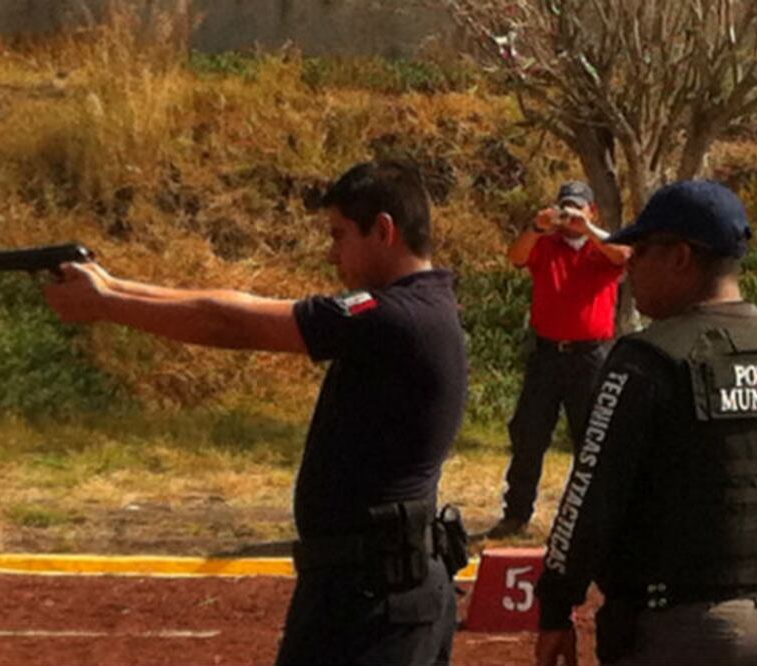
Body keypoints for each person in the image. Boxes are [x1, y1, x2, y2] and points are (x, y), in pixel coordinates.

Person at [43, 160, 469, 666]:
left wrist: (109, 304)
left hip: (374, 598)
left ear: (383, 230)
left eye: (339, 235)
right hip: (373, 588)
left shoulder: (396, 318)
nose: (332, 254)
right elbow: (228, 311)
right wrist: (112, 289)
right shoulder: (415, 307)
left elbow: (234, 323)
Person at [536, 180, 757, 666]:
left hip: (685, 628)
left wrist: (556, 604)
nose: (629, 263)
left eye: (640, 249)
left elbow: (591, 493)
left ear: (680, 256)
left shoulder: (648, 357)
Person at [488, 181, 631, 539]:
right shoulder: (546, 246)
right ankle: (516, 513)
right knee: (529, 434)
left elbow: (624, 256)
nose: (570, 216)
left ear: (591, 210)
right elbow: (516, 257)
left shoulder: (601, 250)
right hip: (548, 353)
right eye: (565, 208)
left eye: (577, 209)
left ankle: (593, 519)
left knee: (592, 439)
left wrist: (590, 230)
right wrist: (538, 227)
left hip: (590, 356)